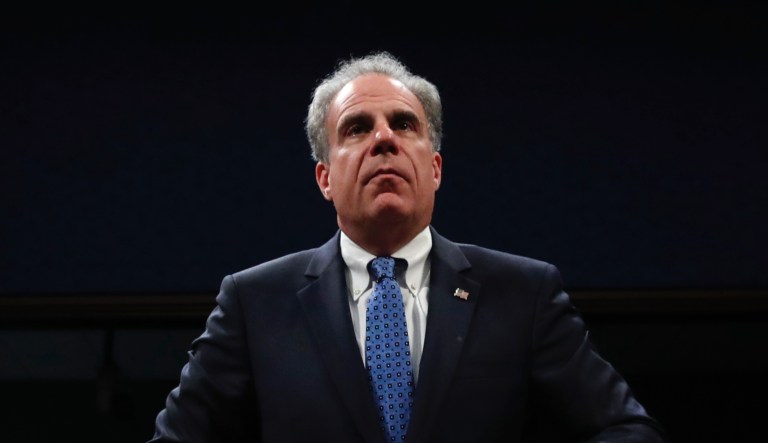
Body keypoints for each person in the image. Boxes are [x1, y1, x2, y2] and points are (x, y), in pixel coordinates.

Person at [150, 51, 667, 442]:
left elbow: (626, 431)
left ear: (434, 168)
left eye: (403, 124)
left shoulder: (524, 293)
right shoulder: (254, 303)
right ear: (324, 177)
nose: (384, 139)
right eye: (357, 128)